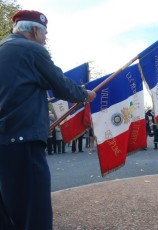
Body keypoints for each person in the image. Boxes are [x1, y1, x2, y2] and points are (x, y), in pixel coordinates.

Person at [0, 10, 96, 230]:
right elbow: (60, 84)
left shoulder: (3, 49)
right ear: (35, 30)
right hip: (23, 140)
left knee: (9, 208)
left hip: (5, 140)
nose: (45, 40)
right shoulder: (31, 49)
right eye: (44, 34)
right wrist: (84, 94)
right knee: (35, 210)